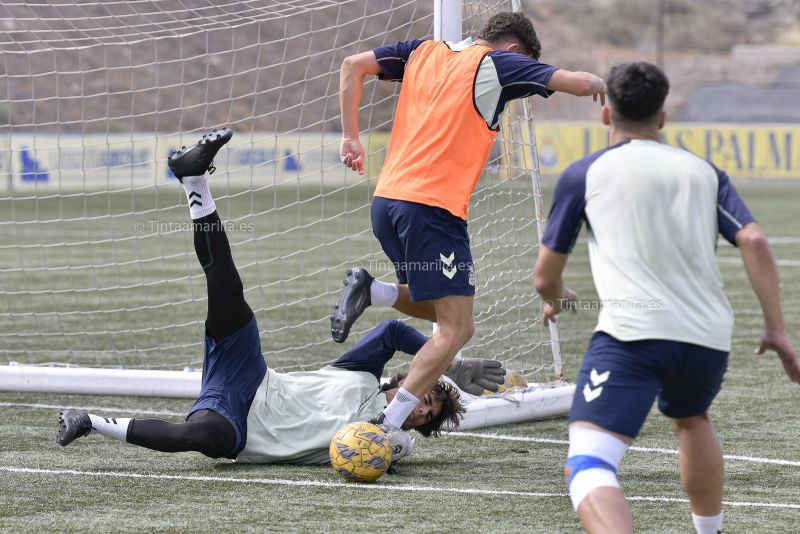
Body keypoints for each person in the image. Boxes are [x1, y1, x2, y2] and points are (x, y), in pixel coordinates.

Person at [56, 129, 504, 465]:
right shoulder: (362, 374)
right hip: (251, 375)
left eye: (426, 415)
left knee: (197, 436)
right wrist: (452, 362)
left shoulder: (390, 439)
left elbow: (380, 455)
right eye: (428, 399)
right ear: (407, 379)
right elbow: (389, 332)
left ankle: (90, 422)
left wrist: (402, 431)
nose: (420, 408)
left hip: (241, 428)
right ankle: (194, 182)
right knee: (226, 287)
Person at [533, 61, 800, 534]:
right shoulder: (703, 171)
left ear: (605, 114)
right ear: (661, 118)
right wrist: (776, 328)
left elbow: (543, 278)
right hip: (707, 336)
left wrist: (560, 295)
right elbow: (755, 241)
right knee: (692, 419)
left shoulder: (584, 174)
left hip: (632, 335)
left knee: (588, 465)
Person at [332, 11, 607, 432]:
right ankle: (387, 425)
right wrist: (605, 85)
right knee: (457, 328)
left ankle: (374, 290)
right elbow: (577, 82)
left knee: (437, 306)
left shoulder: (421, 51)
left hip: (386, 203)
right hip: (432, 208)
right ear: (516, 50)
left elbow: (353, 65)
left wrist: (350, 136)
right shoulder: (500, 63)